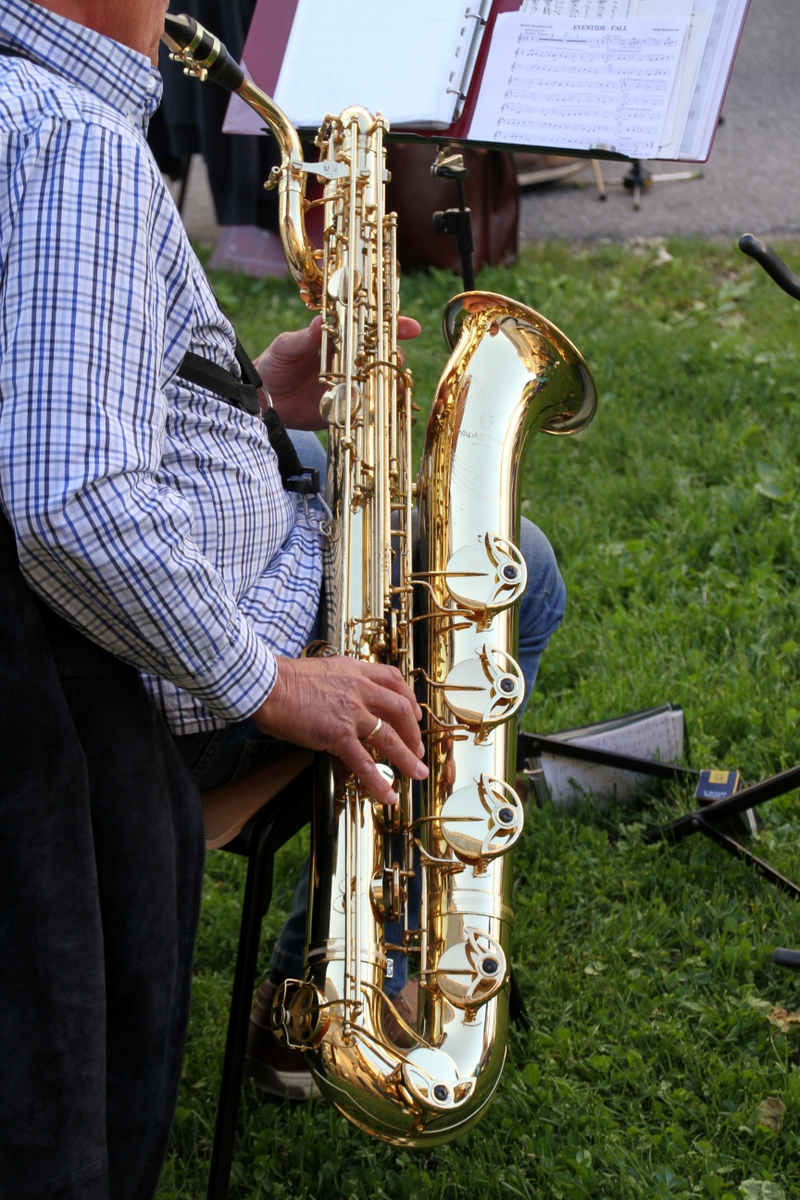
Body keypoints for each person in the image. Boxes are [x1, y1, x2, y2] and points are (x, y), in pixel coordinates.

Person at [0, 1, 565, 1196]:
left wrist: (248, 395)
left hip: (116, 625)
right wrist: (273, 684)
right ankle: (357, 983)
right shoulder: (73, 137)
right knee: (517, 569)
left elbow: (56, 392)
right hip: (151, 680)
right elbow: (68, 498)